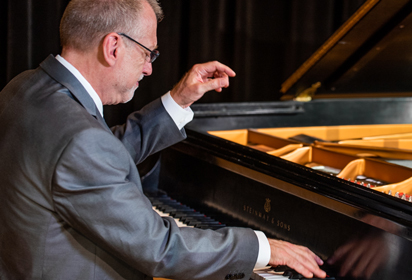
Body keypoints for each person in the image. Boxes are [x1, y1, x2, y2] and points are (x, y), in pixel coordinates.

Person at [0, 0, 326, 279]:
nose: (148, 69)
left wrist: (178, 101)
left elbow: (89, 160)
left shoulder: (26, 88)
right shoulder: (80, 141)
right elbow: (160, 249)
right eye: (147, 54)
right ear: (113, 47)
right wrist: (264, 246)